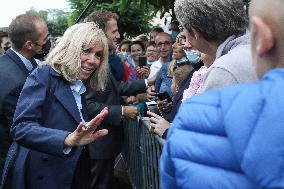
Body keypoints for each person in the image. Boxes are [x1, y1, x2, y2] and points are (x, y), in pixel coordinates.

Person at [160, 0, 284, 188]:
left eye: (184, 30)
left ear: (195, 31)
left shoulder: (225, 70)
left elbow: (214, 158)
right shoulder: (241, 56)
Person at [1, 22, 110, 189]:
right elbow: (21, 127)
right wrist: (66, 139)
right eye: (86, 51)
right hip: (44, 174)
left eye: (98, 55)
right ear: (70, 48)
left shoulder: (78, 83)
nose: (93, 61)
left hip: (73, 172)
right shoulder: (45, 74)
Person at [84, 10, 151, 189]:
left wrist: (146, 82)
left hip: (106, 142)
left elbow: (116, 88)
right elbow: (87, 105)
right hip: (98, 142)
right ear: (99, 33)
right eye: (113, 31)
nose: (119, 35)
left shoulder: (102, 60)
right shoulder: (90, 64)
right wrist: (121, 111)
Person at [0, 13, 50, 178]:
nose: (48, 42)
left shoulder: (7, 61)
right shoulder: (18, 83)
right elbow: (26, 130)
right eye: (45, 38)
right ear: (29, 44)